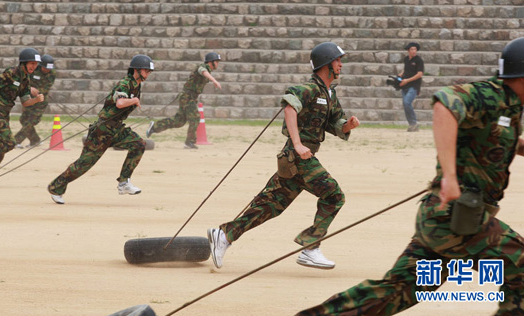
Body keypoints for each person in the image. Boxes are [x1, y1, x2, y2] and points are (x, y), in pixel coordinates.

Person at [296, 37, 524, 316]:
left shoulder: (511, 106)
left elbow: (501, 139)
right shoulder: (490, 95)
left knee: (396, 292)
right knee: (520, 265)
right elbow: (445, 104)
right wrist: (450, 178)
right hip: (454, 218)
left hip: (447, 218)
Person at [207, 42, 360, 270]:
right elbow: (290, 105)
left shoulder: (329, 94)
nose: (341, 64)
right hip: (299, 157)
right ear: (326, 64)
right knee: (334, 196)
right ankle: (310, 247)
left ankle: (224, 235)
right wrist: (297, 144)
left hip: (295, 160)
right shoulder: (310, 89)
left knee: (269, 206)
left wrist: (348, 125)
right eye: (338, 60)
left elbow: (336, 123)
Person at [47, 54, 154, 204]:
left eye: (149, 72)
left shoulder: (137, 85)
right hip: (102, 130)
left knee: (139, 144)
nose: (148, 74)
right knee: (84, 163)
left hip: (116, 128)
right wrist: (134, 100)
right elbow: (120, 103)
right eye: (146, 71)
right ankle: (55, 187)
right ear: (137, 70)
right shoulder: (125, 83)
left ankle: (124, 182)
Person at [0, 48, 44, 187]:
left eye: (35, 64)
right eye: (31, 63)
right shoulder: (11, 73)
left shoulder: (25, 79)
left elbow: (25, 101)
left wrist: (36, 100)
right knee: (9, 143)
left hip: (4, 114)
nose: (33, 67)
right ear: (23, 63)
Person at [145, 52, 222, 149]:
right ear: (211, 62)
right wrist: (214, 80)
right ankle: (189, 142)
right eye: (217, 61)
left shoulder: (208, 71)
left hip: (190, 97)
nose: (218, 64)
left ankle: (155, 127)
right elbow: (201, 70)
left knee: (179, 122)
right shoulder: (203, 67)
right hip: (187, 97)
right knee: (195, 118)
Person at [14, 54, 57, 149]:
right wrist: (28, 88)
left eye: (49, 68)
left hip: (40, 101)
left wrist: (32, 89)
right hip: (29, 98)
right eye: (45, 68)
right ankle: (35, 140)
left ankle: (15, 141)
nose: (47, 70)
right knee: (23, 120)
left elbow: (45, 88)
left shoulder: (52, 73)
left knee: (31, 122)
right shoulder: (34, 69)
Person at [398, 42, 424, 132]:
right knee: (405, 105)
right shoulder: (406, 59)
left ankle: (414, 123)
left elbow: (420, 74)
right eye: (412, 49)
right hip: (405, 85)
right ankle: (411, 125)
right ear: (408, 50)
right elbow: (406, 70)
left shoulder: (419, 60)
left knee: (407, 102)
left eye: (415, 49)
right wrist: (400, 75)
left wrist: (407, 80)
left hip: (414, 85)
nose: (414, 51)